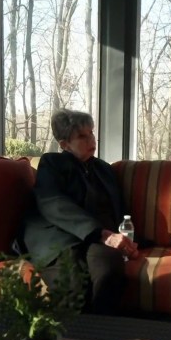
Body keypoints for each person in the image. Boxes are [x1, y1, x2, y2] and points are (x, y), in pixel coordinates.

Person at [22, 108, 139, 315]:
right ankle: (73, 334)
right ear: (64, 144)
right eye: (82, 136)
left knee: (109, 271)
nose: (91, 139)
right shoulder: (52, 163)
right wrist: (102, 233)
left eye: (91, 133)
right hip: (58, 237)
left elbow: (117, 209)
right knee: (73, 283)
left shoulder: (104, 169)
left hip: (95, 239)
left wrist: (129, 240)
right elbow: (53, 203)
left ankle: (100, 330)